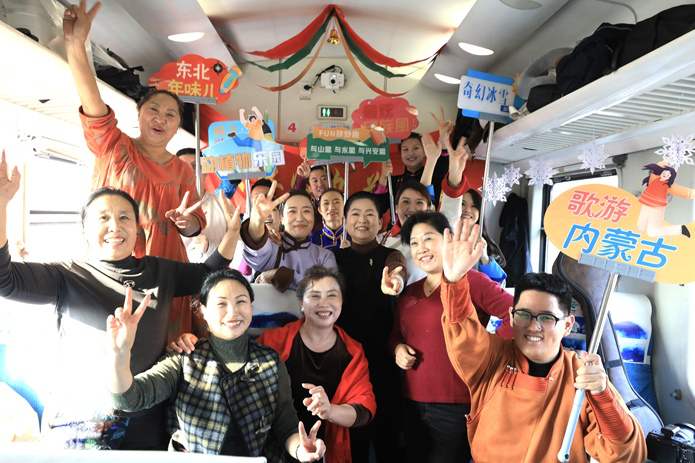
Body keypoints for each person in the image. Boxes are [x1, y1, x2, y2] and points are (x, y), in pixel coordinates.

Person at [0, 152, 241, 450]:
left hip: (146, 413)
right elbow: (5, 280)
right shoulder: (67, 274)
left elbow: (208, 272)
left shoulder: (161, 271)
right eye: (103, 218)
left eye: (124, 217)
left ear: (137, 228)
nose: (115, 226)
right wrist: (2, 205)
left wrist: (233, 231)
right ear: (85, 231)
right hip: (81, 418)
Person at [440, 218, 648, 462]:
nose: (533, 326)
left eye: (547, 318)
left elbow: (625, 454)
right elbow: (462, 329)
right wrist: (454, 281)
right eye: (524, 314)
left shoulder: (583, 376)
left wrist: (602, 395)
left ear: (567, 325)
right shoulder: (490, 358)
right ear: (511, 316)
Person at [64, 1, 207, 341]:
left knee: (168, 348)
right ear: (139, 114)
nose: (161, 118)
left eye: (171, 114)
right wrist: (76, 45)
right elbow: (92, 102)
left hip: (167, 268)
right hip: (117, 260)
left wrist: (186, 223)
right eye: (153, 109)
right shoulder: (114, 147)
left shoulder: (184, 171)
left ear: (177, 125)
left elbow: (195, 226)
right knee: (116, 341)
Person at [106, 269, 325, 461]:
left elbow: (286, 425)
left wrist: (300, 450)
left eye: (241, 301)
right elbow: (129, 399)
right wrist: (120, 355)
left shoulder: (270, 360)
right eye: (221, 304)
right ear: (203, 310)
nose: (233, 312)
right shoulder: (184, 357)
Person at [389, 211, 513, 463]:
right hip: (412, 400)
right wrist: (397, 349)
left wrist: (490, 350)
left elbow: (517, 315)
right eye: (414, 243)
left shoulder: (472, 281)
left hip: (457, 405)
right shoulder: (409, 292)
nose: (421, 248)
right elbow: (395, 336)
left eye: (428, 239)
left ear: (448, 240)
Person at [258, 266, 377, 463]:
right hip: (276, 445)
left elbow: (365, 410)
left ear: (341, 301)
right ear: (301, 303)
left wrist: (329, 410)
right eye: (315, 296)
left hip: (328, 449)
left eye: (332, 295)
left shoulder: (353, 352)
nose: (324, 303)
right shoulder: (273, 342)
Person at [332, 191, 407, 463]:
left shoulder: (391, 255)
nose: (362, 220)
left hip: (383, 359)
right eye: (355, 213)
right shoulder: (334, 258)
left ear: (380, 222)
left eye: (369, 214)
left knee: (387, 436)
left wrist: (395, 283)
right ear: (345, 220)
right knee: (354, 439)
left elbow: (398, 272)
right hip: (344, 362)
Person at [379, 134, 470, 285]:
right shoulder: (382, 240)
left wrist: (455, 174)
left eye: (419, 203)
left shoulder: (439, 234)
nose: (412, 208)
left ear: (429, 207)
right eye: (405, 202)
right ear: (396, 208)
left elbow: (452, 205)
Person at [241, 181, 337, 292]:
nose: (300, 218)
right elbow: (256, 244)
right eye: (292, 211)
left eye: (306, 211)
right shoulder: (273, 247)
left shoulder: (325, 256)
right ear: (281, 218)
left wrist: (280, 275)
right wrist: (257, 221)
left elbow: (329, 288)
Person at [177, 148, 228, 263]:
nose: (190, 171)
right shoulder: (166, 207)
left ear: (206, 170)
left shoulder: (223, 204)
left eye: (195, 166)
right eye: (183, 167)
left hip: (217, 272)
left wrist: (211, 248)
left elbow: (237, 246)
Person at [461, 188, 507, 283]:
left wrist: (484, 258)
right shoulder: (442, 240)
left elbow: (500, 284)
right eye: (462, 204)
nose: (467, 210)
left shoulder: (488, 247)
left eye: (474, 206)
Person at [638, 162, 694, 238]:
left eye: (668, 175)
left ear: (670, 177)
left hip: (656, 207)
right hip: (646, 205)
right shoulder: (654, 179)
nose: (665, 175)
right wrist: (664, 162)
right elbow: (656, 170)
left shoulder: (668, 185)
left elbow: (683, 192)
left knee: (653, 231)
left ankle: (680, 229)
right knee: (641, 228)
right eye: (664, 173)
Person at [294, 162, 330, 233]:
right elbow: (294, 200)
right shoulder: (310, 208)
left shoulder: (342, 203)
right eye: (315, 181)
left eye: (324, 179)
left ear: (331, 181)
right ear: (309, 188)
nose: (320, 184)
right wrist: (302, 178)